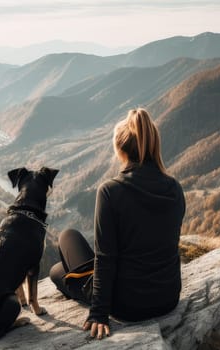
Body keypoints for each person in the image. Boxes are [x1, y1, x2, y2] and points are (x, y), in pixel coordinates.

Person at [49, 108, 185, 340]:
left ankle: (83, 288)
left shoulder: (111, 191)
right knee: (64, 267)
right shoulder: (174, 188)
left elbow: (105, 258)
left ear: (120, 151)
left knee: (61, 255)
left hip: (127, 306)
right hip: (168, 298)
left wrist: (99, 314)